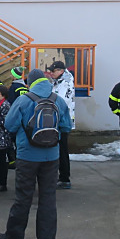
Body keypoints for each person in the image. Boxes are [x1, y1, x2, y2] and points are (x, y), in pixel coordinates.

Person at [0, 68, 72, 239]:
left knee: (23, 197)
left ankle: (14, 236)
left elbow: (10, 125)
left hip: (27, 156)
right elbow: (66, 127)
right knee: (48, 198)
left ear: (29, 83)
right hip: (51, 157)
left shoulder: (23, 100)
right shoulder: (58, 100)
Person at [48, 61, 75, 189]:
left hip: (62, 121)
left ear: (61, 71)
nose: (51, 74)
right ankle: (61, 176)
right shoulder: (58, 82)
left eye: (53, 71)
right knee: (59, 149)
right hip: (58, 120)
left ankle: (64, 178)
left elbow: (61, 101)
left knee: (62, 150)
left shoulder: (66, 83)